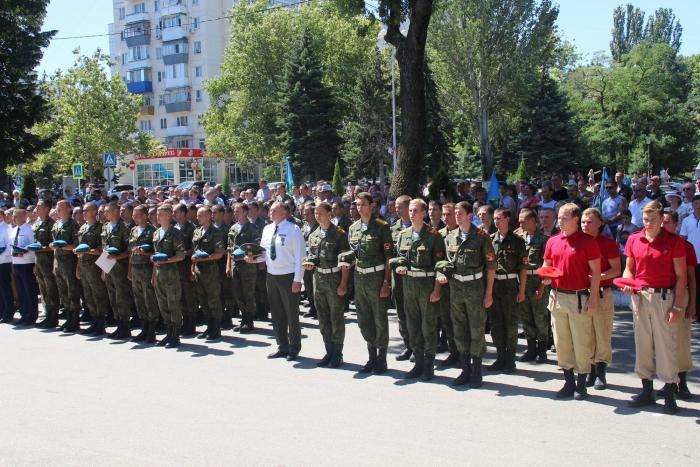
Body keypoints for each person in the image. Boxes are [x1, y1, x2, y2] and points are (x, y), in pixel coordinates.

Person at [622, 201, 686, 414]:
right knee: (643, 345)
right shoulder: (634, 239)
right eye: (645, 219)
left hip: (664, 297)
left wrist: (677, 307)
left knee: (665, 345)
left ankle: (669, 393)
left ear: (661, 219)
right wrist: (627, 283)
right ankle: (647, 390)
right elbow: (628, 269)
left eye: (653, 220)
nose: (648, 223)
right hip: (640, 297)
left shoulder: (674, 242)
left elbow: (681, 276)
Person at [543, 203, 601, 400]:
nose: (560, 221)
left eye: (564, 218)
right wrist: (545, 277)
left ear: (576, 219)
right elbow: (547, 265)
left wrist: (593, 299)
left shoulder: (587, 241)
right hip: (557, 296)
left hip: (579, 297)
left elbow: (595, 272)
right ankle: (568, 381)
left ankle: (581, 383)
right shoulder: (552, 241)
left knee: (581, 342)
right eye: (559, 217)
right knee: (561, 342)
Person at [441, 201, 496, 387]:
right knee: (459, 329)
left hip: (475, 288)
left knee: (477, 329)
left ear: (469, 215)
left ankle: (476, 371)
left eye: (460, 213)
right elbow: (445, 263)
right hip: (456, 289)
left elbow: (490, 267)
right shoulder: (450, 237)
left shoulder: (481, 237)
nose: (457, 216)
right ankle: (464, 369)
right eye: (455, 212)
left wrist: (489, 293)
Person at [394, 199, 446, 381]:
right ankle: (418, 363)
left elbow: (440, 265)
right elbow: (400, 258)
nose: (411, 213)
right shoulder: (403, 235)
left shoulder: (434, 236)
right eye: (410, 210)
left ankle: (429, 366)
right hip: (409, 287)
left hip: (427, 287)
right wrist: (399, 266)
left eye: (415, 210)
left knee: (429, 327)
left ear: (424, 213)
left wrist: (437, 290)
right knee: (413, 326)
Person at [346, 192, 394, 374]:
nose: (359, 208)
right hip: (360, 279)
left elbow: (389, 258)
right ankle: (371, 355)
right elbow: (352, 255)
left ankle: (381, 358)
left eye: (363, 204)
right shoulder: (353, 228)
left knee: (379, 319)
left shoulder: (382, 227)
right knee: (364, 319)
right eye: (357, 204)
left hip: (377, 278)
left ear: (371, 205)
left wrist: (386, 283)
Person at [255, 201, 305, 360]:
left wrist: (298, 280)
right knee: (276, 313)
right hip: (272, 275)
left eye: (274, 210)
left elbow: (300, 257)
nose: (271, 212)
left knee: (291, 313)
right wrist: (253, 259)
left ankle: (294, 347)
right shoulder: (267, 229)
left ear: (284, 212)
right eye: (270, 210)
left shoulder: (293, 229)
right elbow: (264, 253)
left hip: (288, 275)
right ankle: (282, 346)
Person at [305, 202, 350, 367]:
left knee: (336, 318)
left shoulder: (339, 234)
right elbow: (311, 256)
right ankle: (329, 351)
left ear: (329, 214)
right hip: (319, 279)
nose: (317, 216)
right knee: (323, 318)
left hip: (334, 279)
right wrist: (309, 263)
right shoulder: (313, 235)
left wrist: (344, 284)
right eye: (315, 213)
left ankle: (338, 354)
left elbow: (345, 263)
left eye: (320, 213)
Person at [581, 208, 620, 390]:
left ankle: (600, 373)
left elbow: (616, 269)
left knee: (602, 334)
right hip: (581, 294)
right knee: (586, 335)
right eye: (582, 222)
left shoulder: (607, 244)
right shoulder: (577, 243)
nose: (585, 225)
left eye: (589, 222)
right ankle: (589, 370)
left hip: (602, 293)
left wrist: (597, 277)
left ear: (600, 223)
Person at [488, 209, 527, 373]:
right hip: (495, 285)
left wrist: (522, 290)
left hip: (510, 285)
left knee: (510, 324)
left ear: (507, 219)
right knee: (496, 323)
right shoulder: (490, 240)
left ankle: (510, 360)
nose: (496, 221)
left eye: (499, 218)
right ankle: (500, 357)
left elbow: (523, 268)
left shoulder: (517, 241)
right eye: (494, 219)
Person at [662, 211, 695, 400]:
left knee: (681, 340)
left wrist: (692, 305)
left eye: (667, 222)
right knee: (663, 341)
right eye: (661, 222)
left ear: (676, 225)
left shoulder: (685, 246)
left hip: (681, 295)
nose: (663, 226)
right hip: (661, 295)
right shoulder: (658, 244)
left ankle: (682, 381)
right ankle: (668, 382)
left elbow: (690, 277)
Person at [514, 208, 550, 363]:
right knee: (526, 317)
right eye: (519, 221)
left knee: (540, 318)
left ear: (532, 221)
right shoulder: (518, 237)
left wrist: (542, 287)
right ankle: (531, 349)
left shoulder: (543, 239)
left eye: (523, 221)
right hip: (522, 282)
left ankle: (542, 351)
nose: (520, 224)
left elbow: (548, 266)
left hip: (537, 280)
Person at [151, 204, 186, 348]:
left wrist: (167, 260)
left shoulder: (175, 233)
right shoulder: (156, 233)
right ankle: (169, 332)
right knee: (163, 304)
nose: (157, 216)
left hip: (171, 274)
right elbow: (155, 256)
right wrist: (153, 274)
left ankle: (175, 335)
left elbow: (181, 255)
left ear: (168, 216)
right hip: (159, 273)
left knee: (173, 304)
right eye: (157, 214)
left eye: (160, 214)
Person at [191, 206, 226, 341]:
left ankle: (216, 328)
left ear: (208, 216)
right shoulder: (197, 232)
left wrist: (205, 258)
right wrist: (193, 267)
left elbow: (219, 254)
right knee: (203, 301)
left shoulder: (216, 232)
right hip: (199, 270)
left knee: (213, 300)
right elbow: (194, 252)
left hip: (211, 271)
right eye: (198, 216)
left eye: (200, 215)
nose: (197, 218)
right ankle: (209, 326)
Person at [226, 202, 261, 333]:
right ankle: (243, 318)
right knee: (238, 293)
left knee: (248, 293)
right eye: (234, 211)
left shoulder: (252, 228)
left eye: (238, 211)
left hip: (248, 266)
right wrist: (228, 266)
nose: (235, 213)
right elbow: (229, 248)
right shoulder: (233, 228)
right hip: (235, 265)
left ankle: (249, 320)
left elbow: (257, 248)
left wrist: (246, 255)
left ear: (246, 212)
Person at [74, 203, 108, 336]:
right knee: (88, 296)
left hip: (96, 267)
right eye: (83, 211)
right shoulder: (82, 228)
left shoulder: (101, 227)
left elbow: (104, 250)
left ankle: (100, 323)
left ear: (94, 212)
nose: (84, 213)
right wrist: (77, 268)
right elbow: (79, 252)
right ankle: (94, 321)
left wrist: (104, 269)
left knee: (99, 296)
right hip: (84, 266)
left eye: (86, 211)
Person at [127, 205, 158, 343]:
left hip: (147, 269)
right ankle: (144, 328)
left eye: (137, 214)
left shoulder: (153, 231)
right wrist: (129, 270)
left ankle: (152, 331)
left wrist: (146, 253)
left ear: (145, 215)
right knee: (139, 301)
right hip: (135, 269)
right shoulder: (133, 230)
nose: (134, 217)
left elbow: (157, 253)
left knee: (149, 300)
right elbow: (131, 252)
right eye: (134, 215)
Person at [101, 202, 133, 339]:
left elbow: (130, 250)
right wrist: (103, 269)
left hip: (120, 268)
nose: (105, 213)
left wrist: (118, 256)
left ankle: (124, 327)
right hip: (108, 266)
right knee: (112, 297)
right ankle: (118, 323)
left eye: (107, 211)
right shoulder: (106, 227)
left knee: (121, 298)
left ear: (115, 212)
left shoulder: (125, 228)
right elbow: (104, 249)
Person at [51, 200, 81, 332]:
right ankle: (68, 318)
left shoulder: (73, 225)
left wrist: (63, 246)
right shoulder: (57, 224)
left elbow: (77, 246)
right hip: (58, 262)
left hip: (69, 263)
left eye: (60, 207)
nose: (57, 210)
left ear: (69, 209)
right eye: (57, 208)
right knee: (63, 293)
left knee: (72, 292)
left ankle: (74, 321)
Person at [390, 195, 412, 361]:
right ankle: (408, 346)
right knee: (402, 314)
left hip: (415, 279)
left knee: (416, 315)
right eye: (395, 206)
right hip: (397, 278)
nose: (396, 209)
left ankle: (421, 348)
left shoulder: (418, 227)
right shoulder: (393, 228)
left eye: (400, 206)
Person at [32, 200, 60, 328]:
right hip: (39, 262)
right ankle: (48, 315)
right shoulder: (37, 223)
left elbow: (55, 245)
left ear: (47, 209)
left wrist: (42, 248)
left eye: (39, 206)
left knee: (51, 290)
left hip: (48, 262)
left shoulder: (51, 224)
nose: (36, 208)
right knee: (43, 290)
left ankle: (54, 317)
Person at [9, 208, 39, 325]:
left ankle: (31, 316)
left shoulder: (29, 229)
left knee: (29, 291)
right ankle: (24, 314)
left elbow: (34, 246)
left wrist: (25, 251)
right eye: (13, 216)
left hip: (27, 263)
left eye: (16, 216)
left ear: (23, 216)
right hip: (16, 263)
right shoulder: (14, 230)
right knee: (21, 291)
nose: (14, 218)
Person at [173, 204, 198, 336]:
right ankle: (185, 321)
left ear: (183, 213)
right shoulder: (174, 227)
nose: (173, 214)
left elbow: (195, 249)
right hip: (175, 267)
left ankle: (191, 324)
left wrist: (182, 254)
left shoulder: (191, 228)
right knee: (180, 296)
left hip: (187, 265)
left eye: (176, 212)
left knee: (189, 296)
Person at [679, 194, 700, 323]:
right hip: (693, 260)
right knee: (694, 287)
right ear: (692, 206)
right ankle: (695, 312)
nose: (698, 206)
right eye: (696, 203)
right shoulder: (687, 221)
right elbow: (682, 240)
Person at [0, 209, 13, 323]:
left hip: (4, 261)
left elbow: (8, 247)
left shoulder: (6, 228)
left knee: (5, 288)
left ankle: (8, 313)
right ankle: (2, 311)